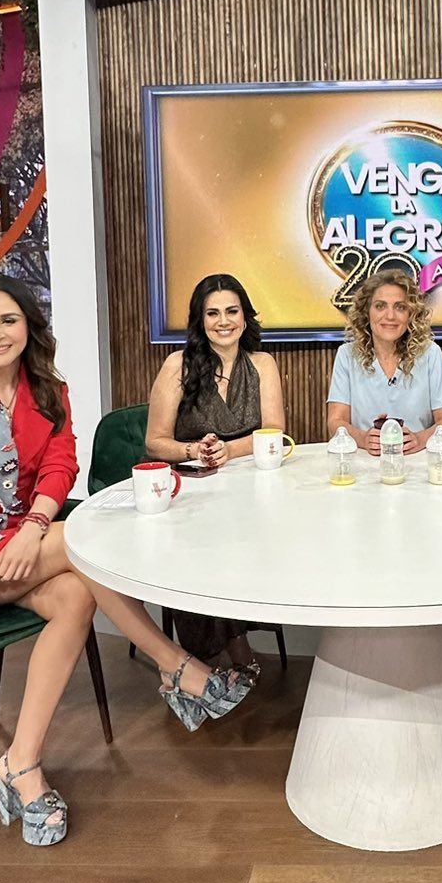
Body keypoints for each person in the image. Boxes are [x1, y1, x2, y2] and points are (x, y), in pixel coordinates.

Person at [0, 273, 251, 849]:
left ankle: (21, 763)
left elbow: (60, 467)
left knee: (78, 593)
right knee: (84, 541)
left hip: (19, 545)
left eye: (9, 320)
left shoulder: (48, 391)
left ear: (28, 326)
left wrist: (34, 527)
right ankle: (176, 666)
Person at [146, 272, 287, 676]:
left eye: (231, 311)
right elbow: (155, 442)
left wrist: (230, 450)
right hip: (191, 489)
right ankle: (215, 650)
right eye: (212, 313)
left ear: (244, 317)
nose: (223, 321)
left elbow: (275, 430)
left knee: (251, 530)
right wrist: (194, 450)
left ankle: (232, 638)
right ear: (200, 319)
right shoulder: (178, 365)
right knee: (203, 539)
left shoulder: (262, 364)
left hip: (248, 485)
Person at [326, 271, 442, 453]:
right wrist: (363, 439)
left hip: (417, 459)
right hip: (364, 459)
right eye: (380, 306)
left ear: (411, 314)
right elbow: (335, 422)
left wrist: (419, 440)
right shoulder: (347, 355)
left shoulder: (430, 353)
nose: (390, 316)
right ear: (366, 312)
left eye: (400, 307)